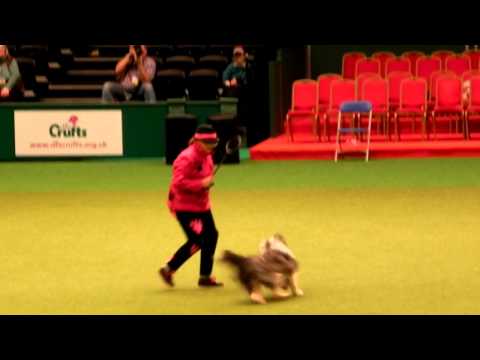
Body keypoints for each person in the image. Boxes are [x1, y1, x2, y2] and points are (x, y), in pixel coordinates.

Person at [159, 124, 223, 287]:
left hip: (201, 205)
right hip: (183, 206)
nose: (212, 146)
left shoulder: (208, 155)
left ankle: (205, 277)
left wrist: (205, 184)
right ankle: (168, 269)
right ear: (197, 141)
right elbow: (178, 183)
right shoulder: (186, 158)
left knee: (211, 236)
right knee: (198, 240)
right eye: (208, 143)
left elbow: (203, 176)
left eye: (214, 142)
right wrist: (201, 183)